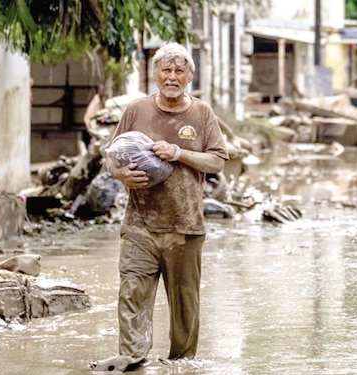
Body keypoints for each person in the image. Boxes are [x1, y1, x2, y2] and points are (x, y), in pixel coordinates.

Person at [90, 42, 228, 372]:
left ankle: (180, 364)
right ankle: (133, 359)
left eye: (179, 71)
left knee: (185, 305)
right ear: (154, 74)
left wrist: (178, 153)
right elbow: (111, 155)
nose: (172, 76)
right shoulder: (137, 110)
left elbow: (218, 161)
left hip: (186, 227)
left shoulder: (202, 113)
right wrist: (121, 174)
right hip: (140, 225)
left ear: (190, 76)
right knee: (132, 292)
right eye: (166, 70)